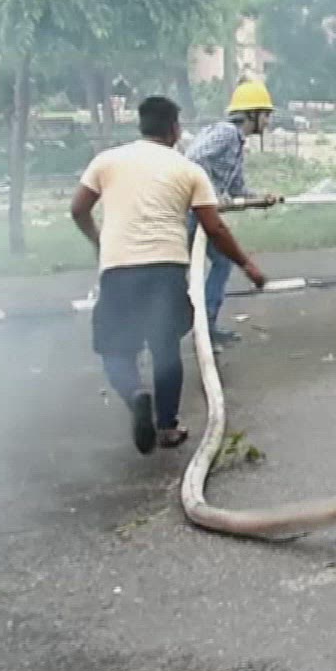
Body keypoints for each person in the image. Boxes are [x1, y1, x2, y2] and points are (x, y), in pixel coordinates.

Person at [71, 95, 266, 454]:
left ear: (141, 125)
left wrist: (99, 242)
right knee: (165, 348)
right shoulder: (188, 170)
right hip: (166, 268)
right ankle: (167, 427)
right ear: (175, 129)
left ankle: (135, 393)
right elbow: (214, 228)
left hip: (118, 268)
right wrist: (248, 265)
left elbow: (78, 209)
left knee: (115, 349)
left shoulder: (107, 161)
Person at [183, 80, 283, 345]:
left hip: (201, 212)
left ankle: (207, 324)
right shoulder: (226, 133)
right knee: (176, 270)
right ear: (252, 114)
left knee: (222, 261)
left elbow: (237, 188)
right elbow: (194, 159)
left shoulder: (237, 144)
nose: (268, 121)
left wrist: (261, 199)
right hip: (189, 212)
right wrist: (212, 193)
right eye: (266, 115)